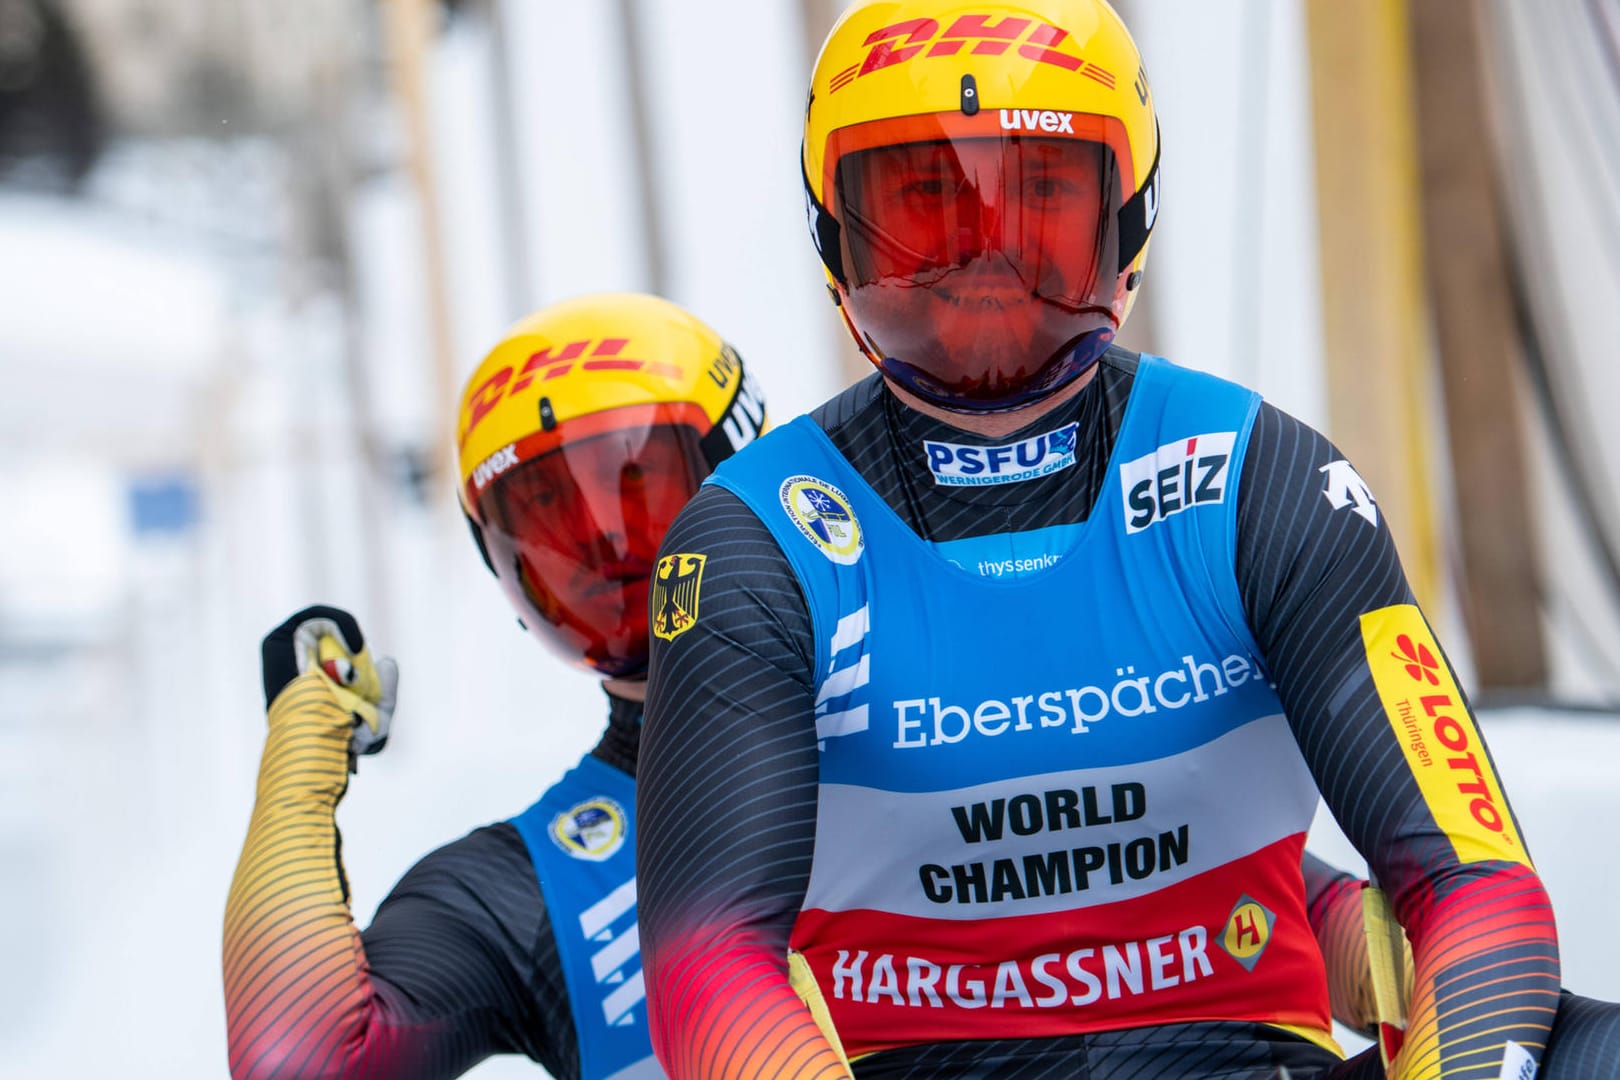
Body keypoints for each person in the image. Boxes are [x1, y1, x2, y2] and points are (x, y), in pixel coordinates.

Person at [636, 2, 1568, 1076]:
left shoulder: (1264, 482)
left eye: (1037, 203)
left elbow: (1478, 881)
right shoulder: (751, 541)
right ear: (835, 238)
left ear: (1125, 220)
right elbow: (707, 965)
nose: (985, 265)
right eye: (928, 210)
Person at [222, 293, 768, 1079]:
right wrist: (297, 781)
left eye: (635, 485)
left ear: (738, 475)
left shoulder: (927, 698)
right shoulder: (526, 886)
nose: (604, 545)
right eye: (547, 510)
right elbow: (300, 1065)